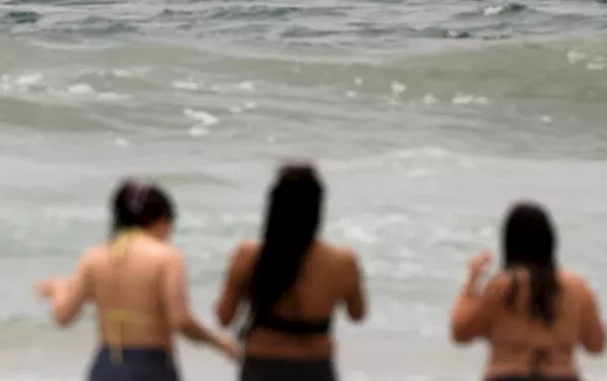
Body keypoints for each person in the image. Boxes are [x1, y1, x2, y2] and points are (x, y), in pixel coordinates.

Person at [36, 178, 239, 381]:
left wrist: (58, 288)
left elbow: (63, 316)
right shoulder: (167, 257)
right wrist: (220, 343)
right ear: (162, 220)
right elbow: (181, 320)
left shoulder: (93, 257)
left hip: (106, 366)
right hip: (150, 367)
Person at [214, 163, 367, 381]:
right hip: (316, 367)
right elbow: (357, 314)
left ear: (274, 206)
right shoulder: (343, 261)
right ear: (317, 208)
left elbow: (224, 317)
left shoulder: (248, 255)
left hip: (262, 366)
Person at [449, 201, 607, 381]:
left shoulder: (503, 286)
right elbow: (596, 345)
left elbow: (460, 333)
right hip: (562, 375)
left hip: (508, 375)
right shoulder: (577, 287)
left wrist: (472, 280)